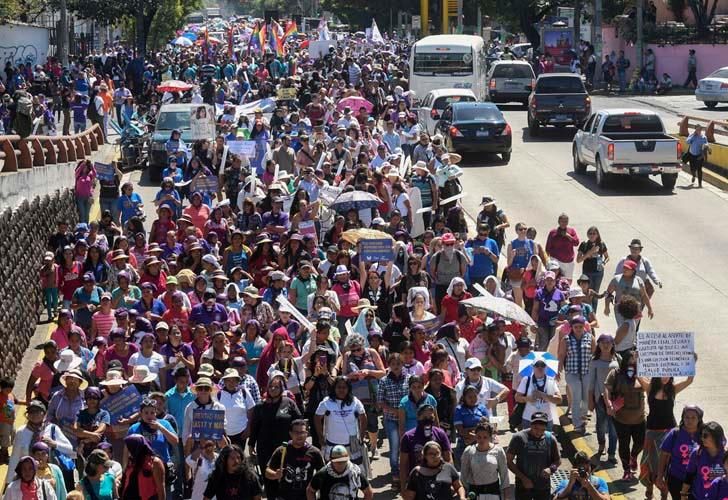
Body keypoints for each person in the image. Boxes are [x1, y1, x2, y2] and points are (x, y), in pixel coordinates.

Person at [640, 374, 696, 499]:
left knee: (665, 463)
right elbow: (639, 375)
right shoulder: (650, 388)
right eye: (662, 375)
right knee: (649, 462)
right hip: (652, 432)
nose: (665, 377)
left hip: (668, 432)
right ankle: (649, 488)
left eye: (668, 375)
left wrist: (691, 363)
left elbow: (689, 380)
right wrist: (639, 360)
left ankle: (663, 492)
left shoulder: (673, 389)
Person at [603, 350, 648, 480]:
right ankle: (626, 469)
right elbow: (607, 389)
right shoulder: (616, 374)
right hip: (621, 418)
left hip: (639, 418)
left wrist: (640, 371)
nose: (632, 364)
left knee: (640, 442)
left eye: (635, 361)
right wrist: (609, 404)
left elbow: (649, 387)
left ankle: (633, 456)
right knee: (624, 444)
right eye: (630, 360)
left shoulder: (642, 373)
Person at [506, 411, 561, 500]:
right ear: (531, 425)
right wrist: (523, 478)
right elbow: (508, 461)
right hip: (523, 487)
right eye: (536, 428)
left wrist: (551, 469)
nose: (538, 432)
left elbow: (557, 461)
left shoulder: (550, 439)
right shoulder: (518, 438)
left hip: (543, 487)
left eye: (542, 430)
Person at [265, 419, 325, 500]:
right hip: (284, 497)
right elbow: (267, 472)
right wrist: (275, 474)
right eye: (296, 432)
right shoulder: (282, 450)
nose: (299, 435)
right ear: (290, 433)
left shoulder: (315, 452)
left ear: (307, 434)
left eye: (302, 432)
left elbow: (323, 475)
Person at [376, 352, 410, 489]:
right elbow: (380, 402)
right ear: (389, 365)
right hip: (391, 419)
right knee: (395, 446)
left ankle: (407, 472)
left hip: (408, 419)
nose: (396, 366)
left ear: (403, 364)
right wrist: (395, 411)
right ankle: (395, 473)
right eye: (393, 364)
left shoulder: (409, 379)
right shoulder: (384, 381)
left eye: (398, 364)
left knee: (408, 446)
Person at [656, 405, 704, 500]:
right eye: (687, 417)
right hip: (676, 478)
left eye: (693, 417)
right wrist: (660, 476)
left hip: (698, 480)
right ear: (682, 418)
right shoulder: (675, 433)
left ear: (699, 419)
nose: (689, 420)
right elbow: (663, 455)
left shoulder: (704, 434)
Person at [557, 316, 595, 434]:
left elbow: (594, 354)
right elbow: (561, 355)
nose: (578, 329)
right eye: (576, 327)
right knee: (576, 396)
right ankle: (577, 424)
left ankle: (583, 421)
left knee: (585, 398)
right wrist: (558, 370)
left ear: (584, 326)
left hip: (587, 372)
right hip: (572, 372)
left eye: (580, 327)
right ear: (572, 327)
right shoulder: (566, 339)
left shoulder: (590, 337)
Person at [399, 404, 453, 486]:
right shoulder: (408, 437)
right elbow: (403, 465)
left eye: (431, 418)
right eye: (424, 418)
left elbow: (448, 459)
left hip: (438, 480)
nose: (428, 420)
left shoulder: (440, 434)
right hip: (417, 481)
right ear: (418, 418)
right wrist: (403, 487)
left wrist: (449, 481)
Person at [588, 334, 620, 463]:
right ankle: (602, 444)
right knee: (601, 425)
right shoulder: (594, 361)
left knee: (614, 427)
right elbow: (591, 383)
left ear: (612, 344)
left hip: (616, 398)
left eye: (608, 342)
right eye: (602, 343)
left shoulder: (618, 359)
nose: (605, 345)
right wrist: (590, 400)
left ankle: (612, 453)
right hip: (600, 398)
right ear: (598, 345)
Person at [461, 422, 510, 499]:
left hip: (493, 490)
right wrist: (463, 496)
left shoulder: (498, 451)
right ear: (475, 436)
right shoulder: (469, 451)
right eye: (479, 437)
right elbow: (463, 477)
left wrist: (507, 498)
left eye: (485, 437)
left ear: (490, 437)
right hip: (474, 492)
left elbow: (504, 476)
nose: (481, 440)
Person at [307, 444, 373, 500]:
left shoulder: (355, 473)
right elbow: (310, 491)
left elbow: (368, 492)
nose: (341, 464)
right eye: (337, 461)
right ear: (331, 460)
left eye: (343, 461)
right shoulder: (323, 474)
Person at [680, 422, 726, 500]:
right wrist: (683, 494)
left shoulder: (725, 456)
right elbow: (689, 475)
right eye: (701, 435)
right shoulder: (697, 453)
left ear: (715, 437)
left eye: (705, 436)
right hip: (697, 497)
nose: (702, 438)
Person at [515, 359, 562, 431]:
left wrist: (543, 395)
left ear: (546, 368)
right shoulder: (526, 380)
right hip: (529, 419)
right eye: (537, 365)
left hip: (546, 420)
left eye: (542, 365)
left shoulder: (551, 381)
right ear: (533, 367)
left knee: (545, 442)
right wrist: (527, 399)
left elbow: (559, 400)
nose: (540, 368)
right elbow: (517, 397)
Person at [120, 434, 166, 500]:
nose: (127, 449)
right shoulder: (130, 461)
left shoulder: (154, 462)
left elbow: (160, 487)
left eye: (129, 446)